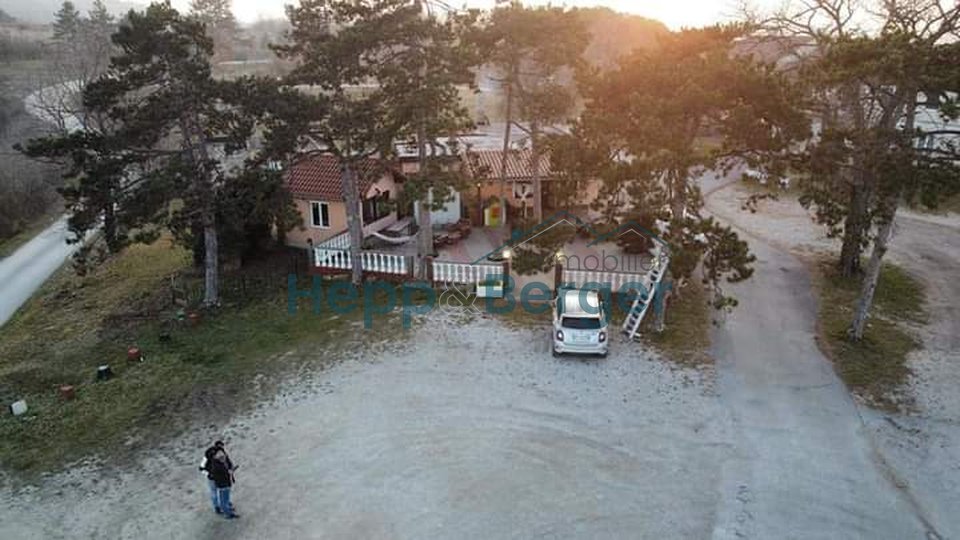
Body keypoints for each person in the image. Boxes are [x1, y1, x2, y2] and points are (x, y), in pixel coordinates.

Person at [199, 441, 235, 514]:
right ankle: (217, 507)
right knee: (214, 492)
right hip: (212, 478)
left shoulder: (221, 452)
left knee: (223, 492)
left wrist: (230, 468)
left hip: (221, 477)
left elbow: (227, 461)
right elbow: (201, 468)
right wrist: (209, 474)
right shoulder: (208, 454)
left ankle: (225, 505)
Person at [210, 449, 239, 519]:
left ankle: (228, 510)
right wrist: (230, 471)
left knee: (226, 499)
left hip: (226, 484)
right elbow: (225, 473)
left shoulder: (218, 463)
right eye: (222, 457)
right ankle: (228, 514)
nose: (224, 459)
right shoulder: (217, 466)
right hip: (223, 485)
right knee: (223, 501)